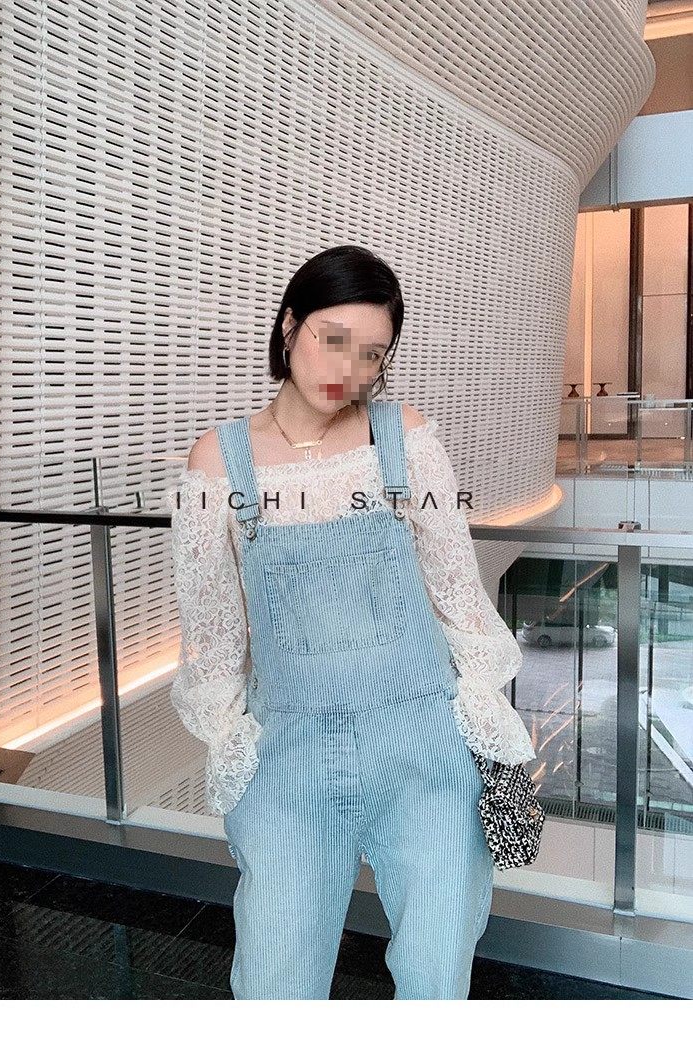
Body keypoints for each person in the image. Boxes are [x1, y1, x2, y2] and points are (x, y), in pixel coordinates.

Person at [168, 244, 535, 999]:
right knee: (275, 981)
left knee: (436, 974)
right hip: (290, 755)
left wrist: (485, 720)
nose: (350, 369)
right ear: (289, 325)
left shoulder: (404, 438)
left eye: (372, 353)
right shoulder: (219, 462)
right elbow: (213, 633)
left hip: (425, 745)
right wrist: (234, 738)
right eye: (334, 339)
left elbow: (458, 596)